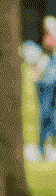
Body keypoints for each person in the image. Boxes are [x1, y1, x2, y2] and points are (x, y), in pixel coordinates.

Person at [36, 25, 56, 161]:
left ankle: (49, 147)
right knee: (46, 114)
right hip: (46, 84)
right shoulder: (48, 41)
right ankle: (43, 148)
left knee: (51, 115)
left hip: (51, 83)